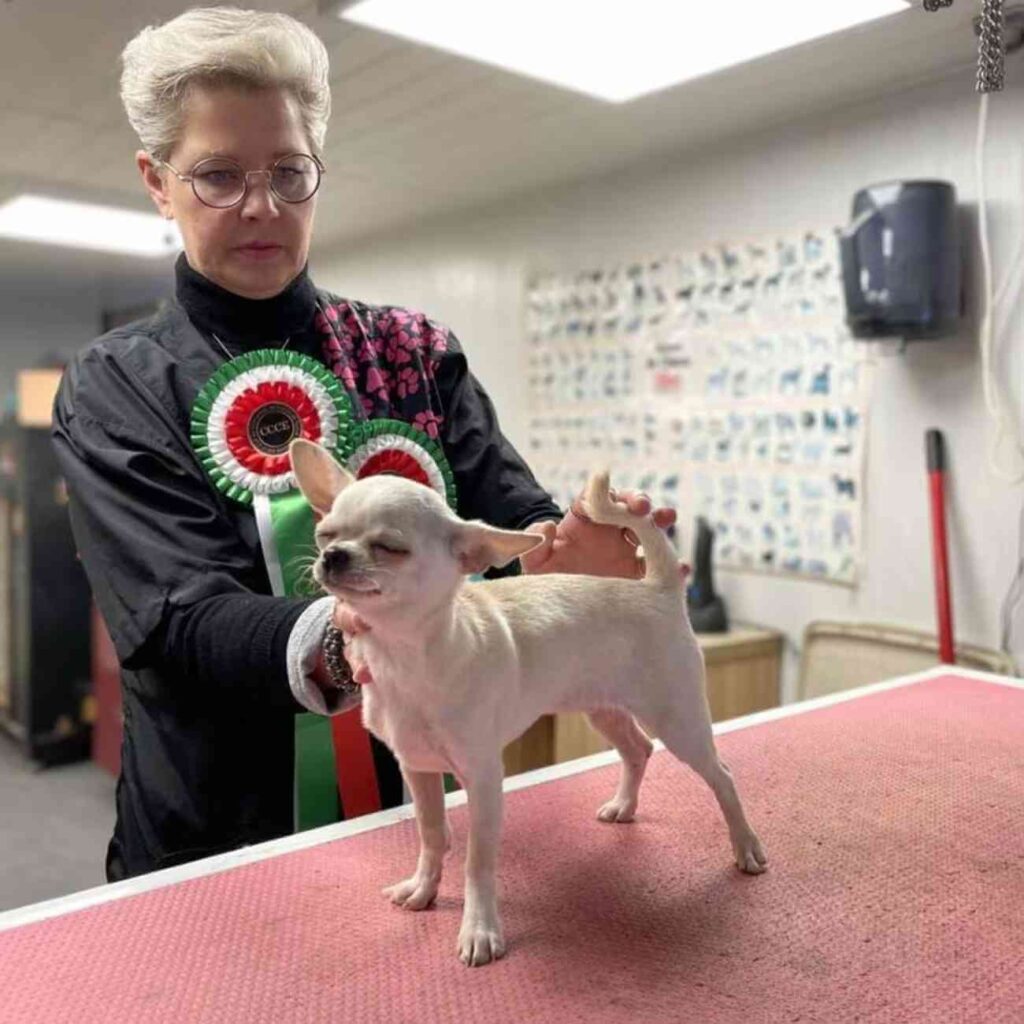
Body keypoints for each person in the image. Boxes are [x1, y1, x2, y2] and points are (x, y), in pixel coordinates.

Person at [51, 7, 676, 882]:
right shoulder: (116, 385)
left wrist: (566, 558)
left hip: (419, 813)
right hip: (216, 834)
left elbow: (509, 523)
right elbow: (174, 618)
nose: (262, 206)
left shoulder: (417, 353)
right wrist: (358, 636)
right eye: (218, 176)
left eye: (289, 172)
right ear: (157, 182)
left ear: (319, 172)